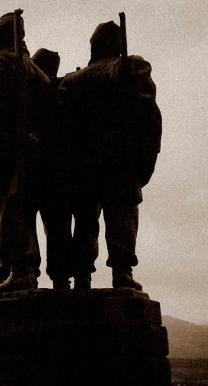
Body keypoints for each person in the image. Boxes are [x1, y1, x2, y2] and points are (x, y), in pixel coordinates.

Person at [58, 21, 161, 289]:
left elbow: (59, 128)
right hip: (121, 161)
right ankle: (122, 272)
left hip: (82, 165)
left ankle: (82, 276)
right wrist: (144, 163)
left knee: (84, 223)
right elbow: (150, 117)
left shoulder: (72, 81)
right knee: (122, 218)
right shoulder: (133, 67)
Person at [0, 12, 51, 293]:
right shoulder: (35, 71)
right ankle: (24, 269)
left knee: (10, 209)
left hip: (5, 149)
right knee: (23, 208)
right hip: (33, 149)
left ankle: (21, 271)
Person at [31, 48, 73, 290]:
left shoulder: (37, 92)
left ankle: (40, 274)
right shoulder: (65, 90)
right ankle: (60, 276)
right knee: (58, 229)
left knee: (34, 225)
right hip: (58, 173)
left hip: (43, 171)